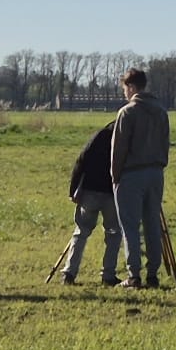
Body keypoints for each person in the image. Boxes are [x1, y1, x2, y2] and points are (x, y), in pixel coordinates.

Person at [110, 67, 170, 288]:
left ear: (132, 87)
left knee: (130, 226)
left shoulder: (127, 112)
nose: (124, 93)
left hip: (131, 175)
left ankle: (133, 274)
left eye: (125, 89)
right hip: (156, 173)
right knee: (152, 223)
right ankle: (153, 273)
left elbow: (118, 149)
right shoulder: (161, 111)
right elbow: (165, 144)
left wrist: (115, 177)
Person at [62, 120, 123, 286]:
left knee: (81, 232)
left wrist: (73, 189)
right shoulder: (125, 140)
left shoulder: (99, 136)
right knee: (113, 234)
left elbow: (81, 161)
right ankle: (108, 275)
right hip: (111, 194)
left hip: (89, 192)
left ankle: (69, 272)